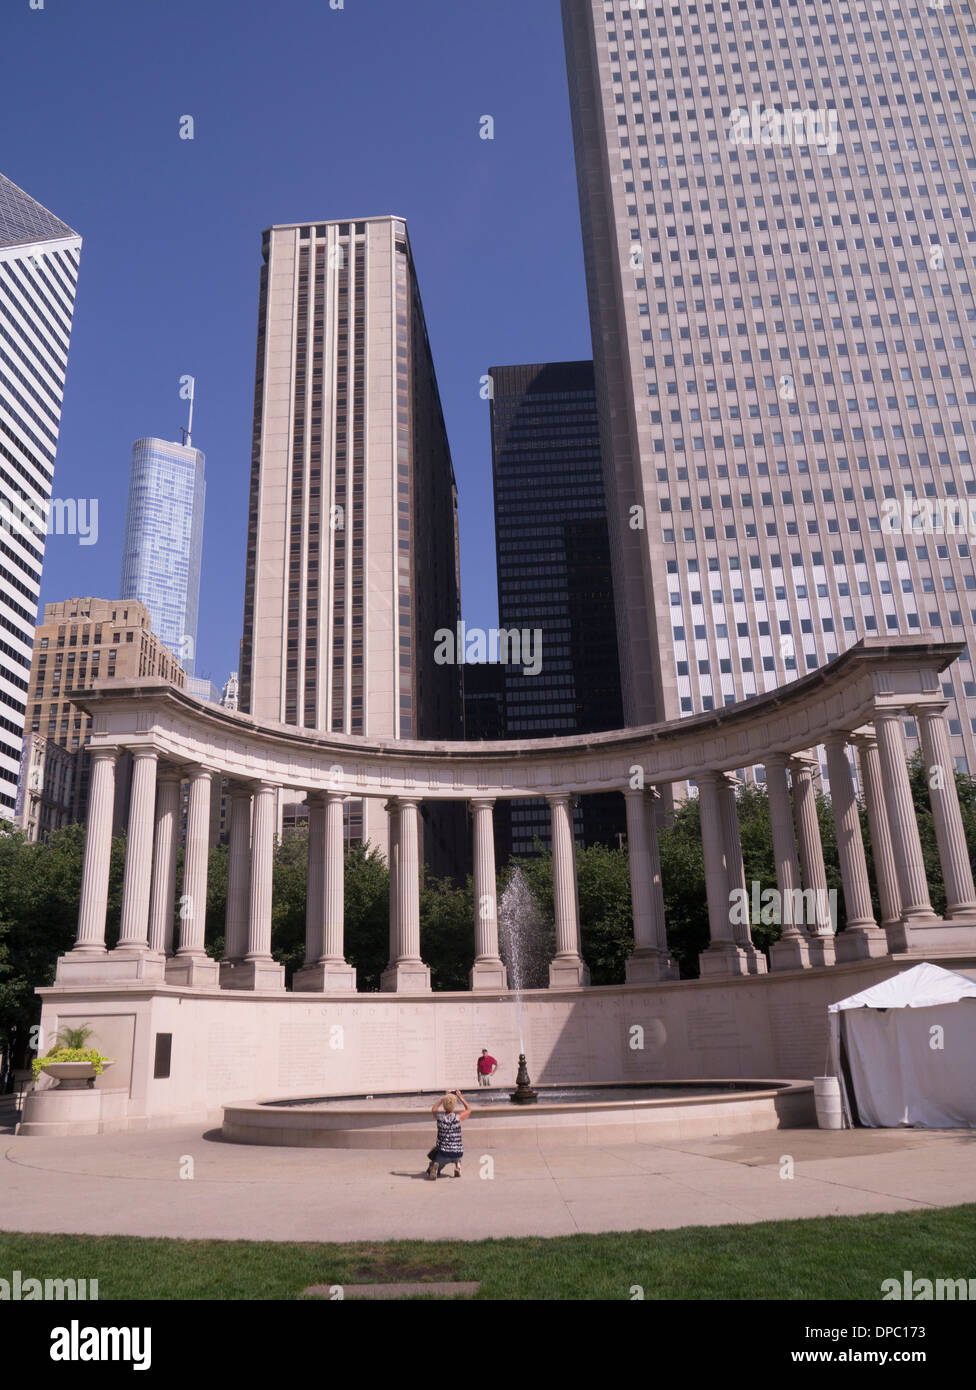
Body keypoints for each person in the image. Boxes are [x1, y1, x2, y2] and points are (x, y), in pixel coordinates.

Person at [427, 1090, 470, 1180]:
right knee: (457, 1150)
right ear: (454, 1105)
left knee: (433, 1166)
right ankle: (458, 1166)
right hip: (457, 1153)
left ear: (444, 1105)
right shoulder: (458, 1118)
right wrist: (460, 1097)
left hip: (443, 1153)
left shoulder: (440, 1118)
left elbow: (434, 1109)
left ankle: (435, 1167)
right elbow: (469, 1109)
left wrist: (443, 1098)